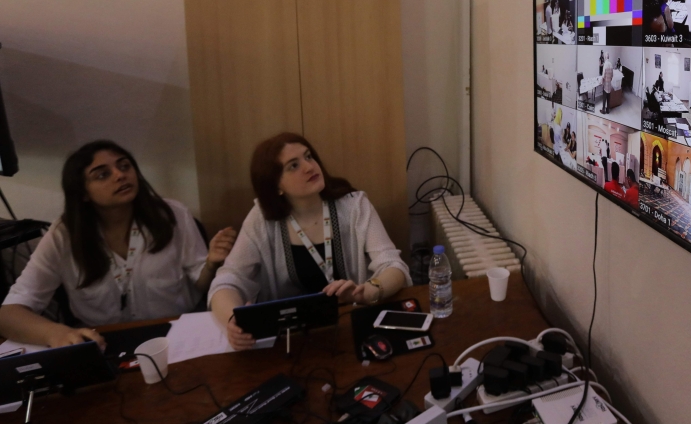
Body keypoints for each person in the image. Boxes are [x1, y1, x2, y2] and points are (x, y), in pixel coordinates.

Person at [0, 141, 235, 347]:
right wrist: (56, 333)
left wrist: (212, 265)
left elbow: (201, 285)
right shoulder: (64, 234)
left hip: (177, 333)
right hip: (104, 342)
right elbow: (8, 314)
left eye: (124, 166)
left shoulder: (172, 214)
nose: (120, 175)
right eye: (102, 174)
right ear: (83, 193)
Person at [209, 133, 411, 351]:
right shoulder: (261, 218)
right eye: (293, 166)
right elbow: (228, 279)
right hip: (291, 338)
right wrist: (232, 321)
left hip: (348, 327)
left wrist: (367, 292)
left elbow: (393, 265)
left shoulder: (354, 206)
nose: (309, 167)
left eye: (308, 157)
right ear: (276, 186)